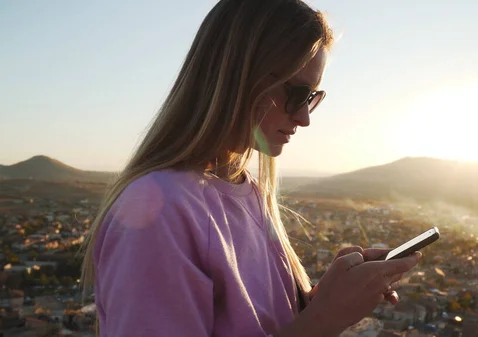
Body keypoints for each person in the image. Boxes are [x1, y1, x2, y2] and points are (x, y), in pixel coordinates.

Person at [80, 0, 423, 336]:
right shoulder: (161, 211)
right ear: (238, 76)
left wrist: (321, 300)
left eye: (312, 99)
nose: (303, 118)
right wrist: (325, 320)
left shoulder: (247, 190)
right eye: (298, 93)